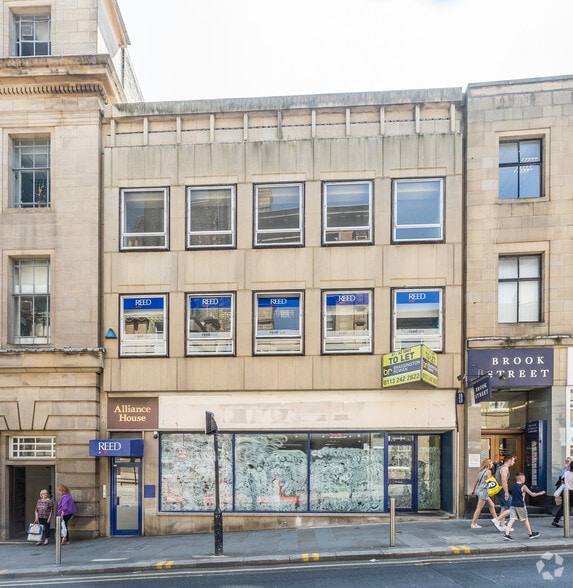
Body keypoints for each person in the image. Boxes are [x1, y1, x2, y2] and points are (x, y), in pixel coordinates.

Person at [503, 472, 545, 540]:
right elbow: (532, 494)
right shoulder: (523, 486)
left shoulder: (514, 485)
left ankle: (507, 534)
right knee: (525, 519)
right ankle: (530, 534)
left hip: (513, 504)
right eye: (524, 478)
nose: (524, 479)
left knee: (512, 519)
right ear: (522, 478)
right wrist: (540, 493)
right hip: (520, 505)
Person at [470, 458, 498, 528]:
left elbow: (476, 481)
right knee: (479, 508)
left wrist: (473, 490)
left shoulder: (481, 472)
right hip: (484, 491)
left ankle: (497, 520)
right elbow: (490, 482)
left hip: (479, 490)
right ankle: (473, 523)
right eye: (491, 463)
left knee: (492, 505)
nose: (492, 464)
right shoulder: (488, 471)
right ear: (488, 464)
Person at [491, 454, 515, 532]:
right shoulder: (504, 468)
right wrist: (506, 492)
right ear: (509, 460)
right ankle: (497, 520)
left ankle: (502, 525)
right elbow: (503, 480)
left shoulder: (500, 468)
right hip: (502, 490)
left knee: (504, 507)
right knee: (513, 507)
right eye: (513, 460)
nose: (514, 462)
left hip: (499, 490)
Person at [552, 460, 573, 528]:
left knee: (563, 507)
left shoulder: (566, 473)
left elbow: (562, 480)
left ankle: (556, 520)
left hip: (566, 492)